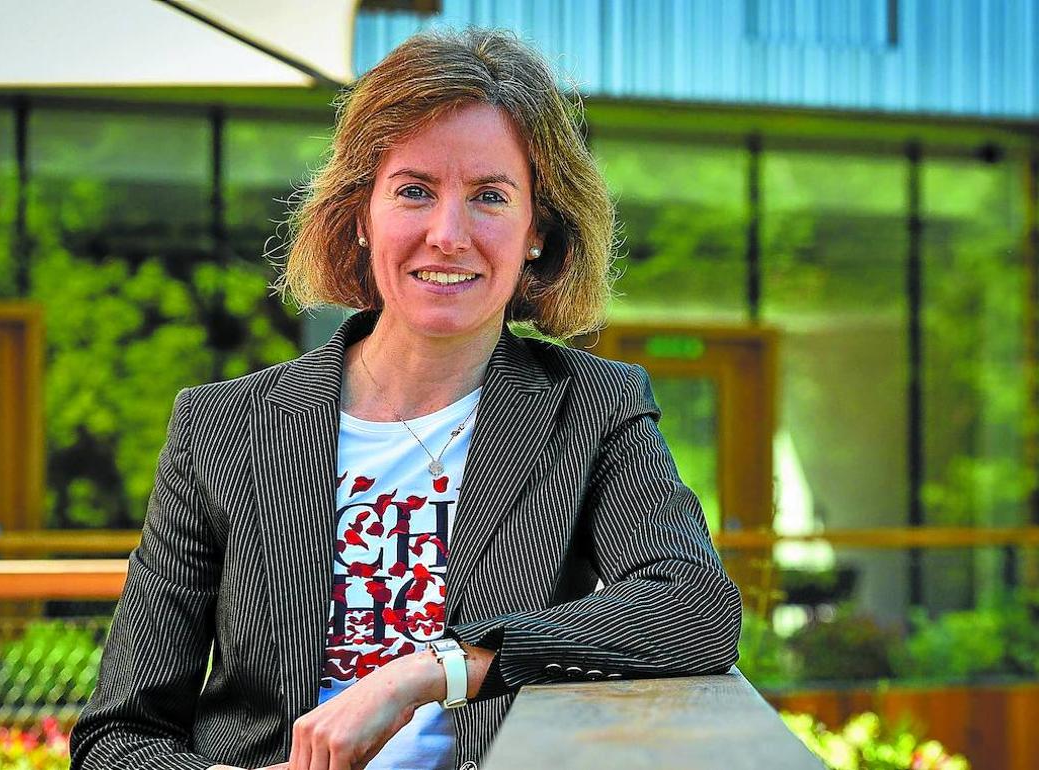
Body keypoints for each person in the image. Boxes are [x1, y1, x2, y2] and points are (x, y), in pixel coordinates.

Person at [70, 27, 741, 770]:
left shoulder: (592, 408)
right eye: (414, 191)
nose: (447, 235)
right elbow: (116, 739)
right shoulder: (222, 429)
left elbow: (694, 608)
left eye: (490, 196)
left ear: (537, 232)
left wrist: (436, 670)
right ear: (361, 216)